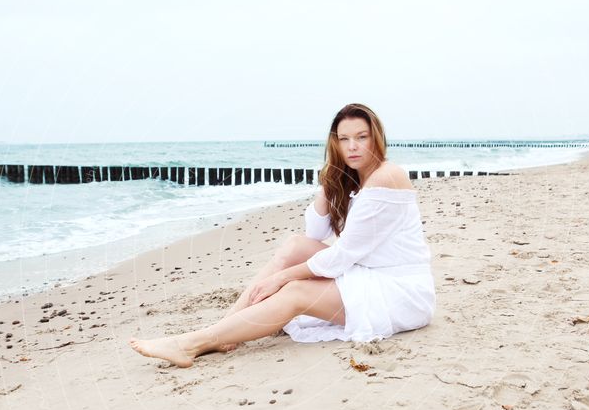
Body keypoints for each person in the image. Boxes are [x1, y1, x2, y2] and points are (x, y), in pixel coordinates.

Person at [128, 103, 435, 367]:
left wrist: (281, 278)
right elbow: (315, 232)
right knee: (295, 247)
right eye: (344, 139)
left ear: (376, 138)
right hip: (369, 274)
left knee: (295, 291)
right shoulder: (354, 179)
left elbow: (343, 255)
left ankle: (191, 344)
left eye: (361, 137)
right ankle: (223, 331)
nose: (352, 147)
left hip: (401, 293)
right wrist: (329, 182)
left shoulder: (386, 177)